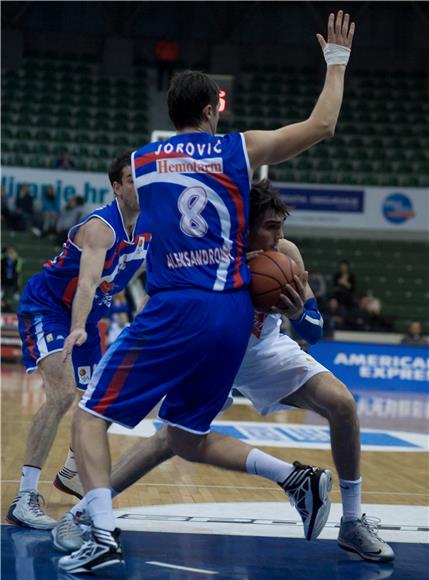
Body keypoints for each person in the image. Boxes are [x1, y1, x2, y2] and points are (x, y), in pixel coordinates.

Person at [57, 11, 355, 575]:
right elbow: (321, 126)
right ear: (213, 109)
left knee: (90, 418)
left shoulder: (142, 163)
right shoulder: (237, 150)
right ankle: (294, 478)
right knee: (187, 437)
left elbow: (125, 222)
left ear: (172, 116)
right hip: (232, 313)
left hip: (175, 308)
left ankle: (100, 532)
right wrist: (336, 63)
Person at [54, 180, 394, 564]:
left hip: (264, 349)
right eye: (271, 226)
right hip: (211, 348)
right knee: (171, 439)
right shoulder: (212, 253)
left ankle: (352, 521)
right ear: (245, 225)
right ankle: (83, 513)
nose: (279, 235)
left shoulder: (286, 254)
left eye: (281, 225)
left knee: (342, 403)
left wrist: (300, 313)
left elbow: (313, 331)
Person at [6, 152, 151, 530]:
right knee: (63, 395)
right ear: (117, 187)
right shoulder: (101, 226)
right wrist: (77, 326)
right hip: (51, 308)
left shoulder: (152, 225)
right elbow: (87, 282)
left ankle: (71, 473)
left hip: (88, 318)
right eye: (132, 179)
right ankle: (24, 497)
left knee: (99, 404)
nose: (141, 183)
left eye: (144, 176)